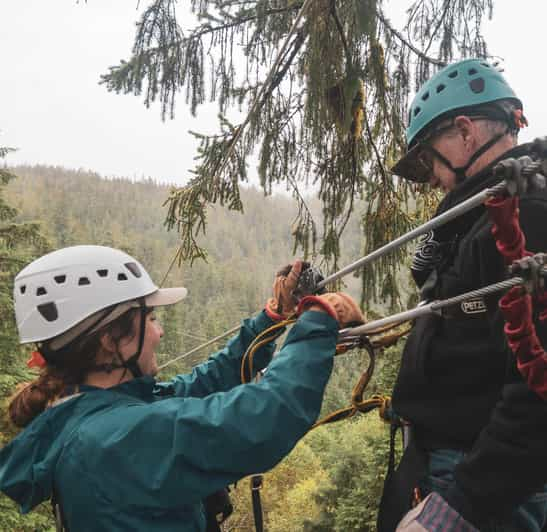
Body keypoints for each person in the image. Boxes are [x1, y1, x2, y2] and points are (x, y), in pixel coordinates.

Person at [0, 245, 364, 531]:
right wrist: (318, 320)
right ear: (112, 340)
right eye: (151, 319)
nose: (159, 332)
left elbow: (199, 386)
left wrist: (273, 318)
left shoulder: (95, 413)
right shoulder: (113, 438)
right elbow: (264, 417)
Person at [382, 58, 547, 531]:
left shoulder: (524, 213)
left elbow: (538, 391)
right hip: (454, 467)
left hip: (483, 486)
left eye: (428, 158)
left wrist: (460, 508)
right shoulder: (477, 217)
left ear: (465, 132)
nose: (430, 177)